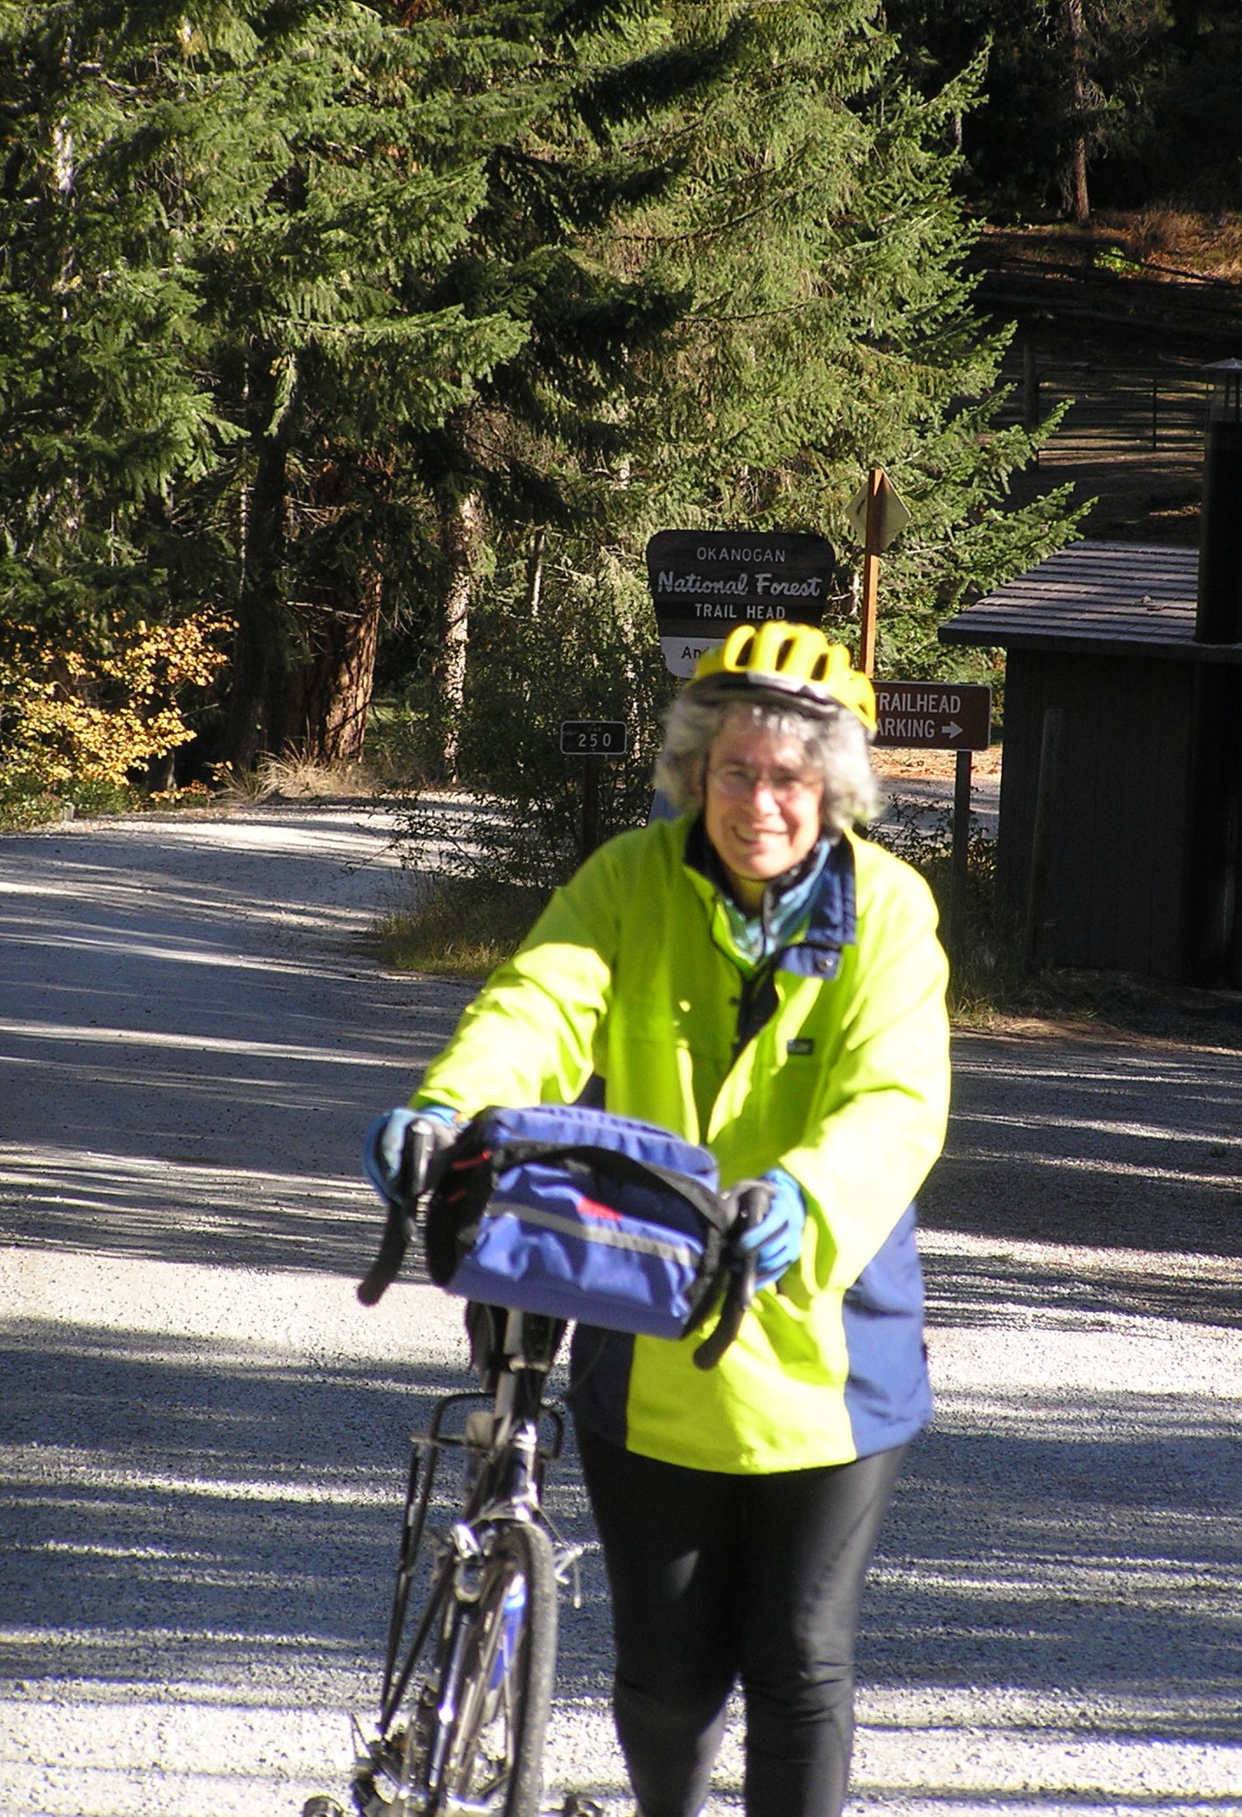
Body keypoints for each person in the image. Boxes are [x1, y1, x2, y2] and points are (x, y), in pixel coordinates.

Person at [363, 619, 950, 1817]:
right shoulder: (632, 878)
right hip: (646, 1326)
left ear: (834, 790)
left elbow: (897, 1099)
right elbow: (539, 1002)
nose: (758, 802)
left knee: (799, 1665)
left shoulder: (889, 911)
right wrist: (447, 1104)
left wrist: (807, 1194)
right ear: (694, 770)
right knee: (669, 1679)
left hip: (831, 1353)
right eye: (734, 770)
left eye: (788, 777)